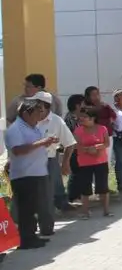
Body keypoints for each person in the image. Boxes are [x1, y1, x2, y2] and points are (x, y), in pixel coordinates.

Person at [5, 95, 60, 248]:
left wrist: (46, 142)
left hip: (37, 172)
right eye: (38, 112)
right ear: (26, 113)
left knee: (33, 207)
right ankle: (26, 240)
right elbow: (17, 150)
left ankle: (32, 235)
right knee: (26, 209)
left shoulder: (33, 127)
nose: (41, 115)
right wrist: (42, 143)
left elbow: (34, 146)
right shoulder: (15, 129)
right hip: (24, 175)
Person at [35, 92, 75, 231]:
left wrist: (65, 163)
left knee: (47, 195)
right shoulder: (28, 119)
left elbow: (70, 143)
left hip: (49, 160)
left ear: (45, 106)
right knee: (31, 194)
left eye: (37, 104)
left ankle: (46, 227)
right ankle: (28, 226)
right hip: (30, 161)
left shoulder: (56, 121)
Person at [73, 106, 112, 218]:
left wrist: (97, 147)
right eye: (80, 116)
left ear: (92, 118)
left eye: (84, 116)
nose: (81, 118)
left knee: (103, 187)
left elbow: (107, 143)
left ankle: (106, 211)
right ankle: (85, 212)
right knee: (85, 188)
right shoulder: (78, 130)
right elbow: (76, 146)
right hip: (84, 163)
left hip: (101, 162)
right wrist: (88, 149)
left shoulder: (102, 128)